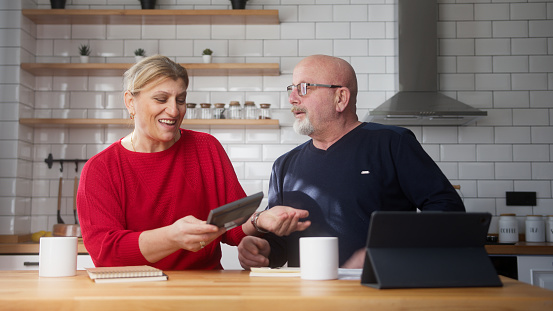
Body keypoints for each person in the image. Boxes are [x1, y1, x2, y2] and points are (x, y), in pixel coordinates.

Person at [77, 55, 309, 270]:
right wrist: (171, 237)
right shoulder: (102, 168)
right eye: (161, 99)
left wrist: (260, 221)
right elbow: (105, 252)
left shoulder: (205, 148)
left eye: (180, 99)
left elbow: (232, 228)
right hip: (134, 293)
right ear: (130, 101)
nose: (174, 110)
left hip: (205, 291)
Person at [237, 54, 465, 270]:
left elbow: (448, 209)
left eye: (304, 88)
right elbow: (282, 246)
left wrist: (390, 251)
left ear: (340, 98)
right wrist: (263, 251)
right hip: (309, 297)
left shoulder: (392, 144)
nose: (292, 98)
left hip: (380, 290)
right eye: (292, 89)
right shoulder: (284, 166)